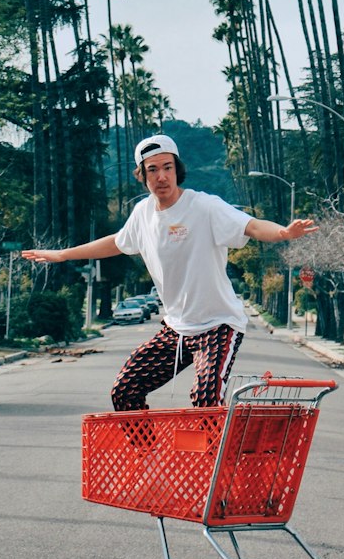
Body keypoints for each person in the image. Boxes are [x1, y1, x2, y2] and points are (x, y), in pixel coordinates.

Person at [22, 133, 316, 410]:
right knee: (125, 389)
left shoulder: (204, 206)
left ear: (177, 170)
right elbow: (116, 242)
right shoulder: (142, 214)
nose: (161, 176)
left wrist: (282, 233)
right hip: (176, 328)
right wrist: (63, 254)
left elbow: (250, 225)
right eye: (152, 170)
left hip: (218, 324)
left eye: (167, 167)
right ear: (142, 175)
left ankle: (214, 461)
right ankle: (147, 456)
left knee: (205, 399)